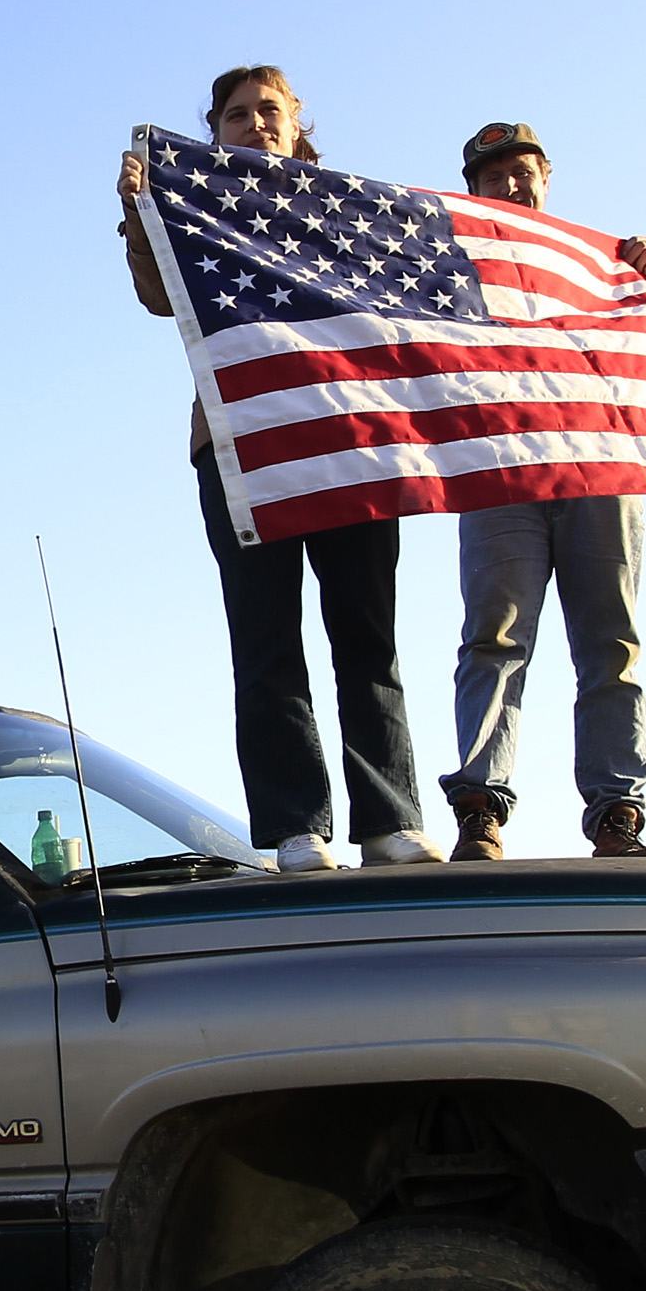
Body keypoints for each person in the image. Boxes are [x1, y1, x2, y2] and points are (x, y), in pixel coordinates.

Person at [117, 67, 435, 871]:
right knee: (266, 639)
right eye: (236, 115)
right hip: (239, 446)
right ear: (214, 133)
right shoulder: (191, 205)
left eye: (270, 112)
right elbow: (163, 296)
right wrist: (140, 210)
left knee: (367, 633)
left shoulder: (348, 214)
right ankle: (299, 823)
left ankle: (389, 819)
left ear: (298, 126)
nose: (255, 125)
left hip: (349, 442)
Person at [437, 122, 646, 861]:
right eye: (495, 176)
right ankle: (480, 807)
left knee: (610, 645)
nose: (511, 185)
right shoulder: (456, 264)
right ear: (475, 190)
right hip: (503, 473)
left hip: (600, 467)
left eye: (522, 171)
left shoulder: (600, 262)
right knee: (493, 638)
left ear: (546, 176)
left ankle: (618, 812)